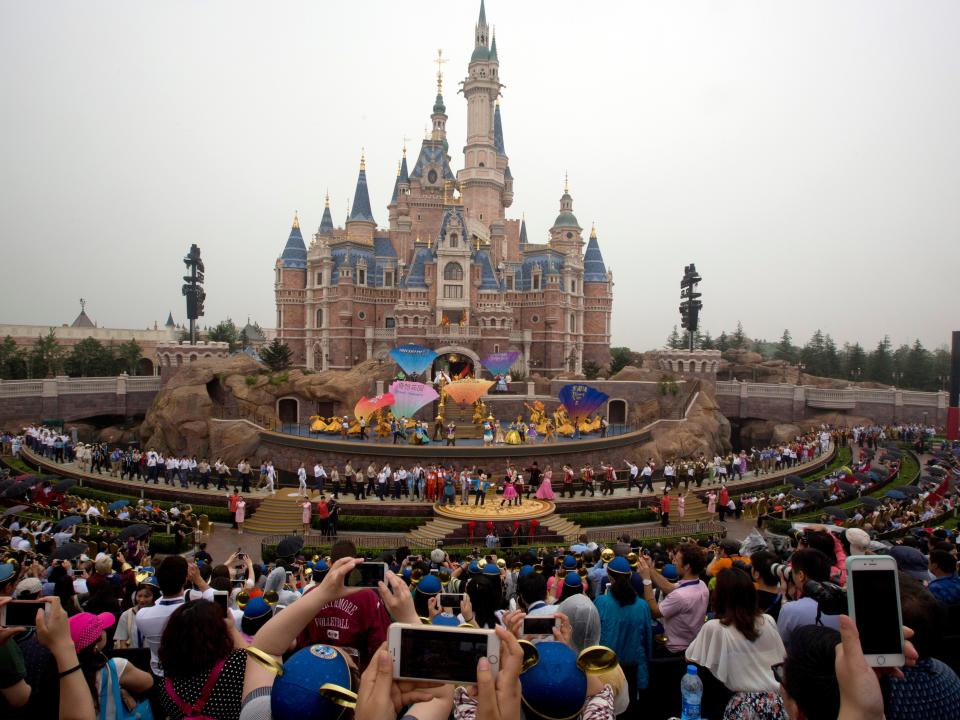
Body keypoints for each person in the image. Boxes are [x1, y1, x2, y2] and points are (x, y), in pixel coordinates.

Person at [685, 567, 787, 719]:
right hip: (779, 703)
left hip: (744, 708)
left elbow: (690, 657)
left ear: (719, 596)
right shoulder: (768, 620)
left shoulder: (715, 628)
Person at [158, 600, 245, 720]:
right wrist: (231, 628)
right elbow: (258, 663)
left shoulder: (166, 687)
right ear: (217, 631)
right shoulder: (235, 664)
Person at [69, 611, 154, 719]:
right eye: (101, 629)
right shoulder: (113, 667)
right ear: (96, 640)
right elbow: (147, 682)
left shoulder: (61, 671)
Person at [595, 555, 652, 714]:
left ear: (610, 578)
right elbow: (647, 642)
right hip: (635, 670)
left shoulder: (601, 602)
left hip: (606, 674)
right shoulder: (642, 606)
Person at [637, 543, 709, 656]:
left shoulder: (680, 596)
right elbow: (669, 587)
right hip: (692, 645)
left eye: (676, 560)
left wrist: (646, 580)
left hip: (674, 650)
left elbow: (654, 612)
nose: (673, 562)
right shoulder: (701, 584)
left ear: (687, 566)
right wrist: (650, 568)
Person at [776, 548, 841, 652]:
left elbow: (781, 645)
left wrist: (784, 595)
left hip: (803, 665)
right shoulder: (843, 604)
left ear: (801, 576)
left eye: (793, 572)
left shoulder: (790, 610)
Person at [113, 577, 159, 649]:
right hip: (132, 656)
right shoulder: (127, 615)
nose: (142, 600)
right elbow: (122, 641)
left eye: (146, 596)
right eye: (139, 596)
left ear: (155, 596)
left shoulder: (159, 614)